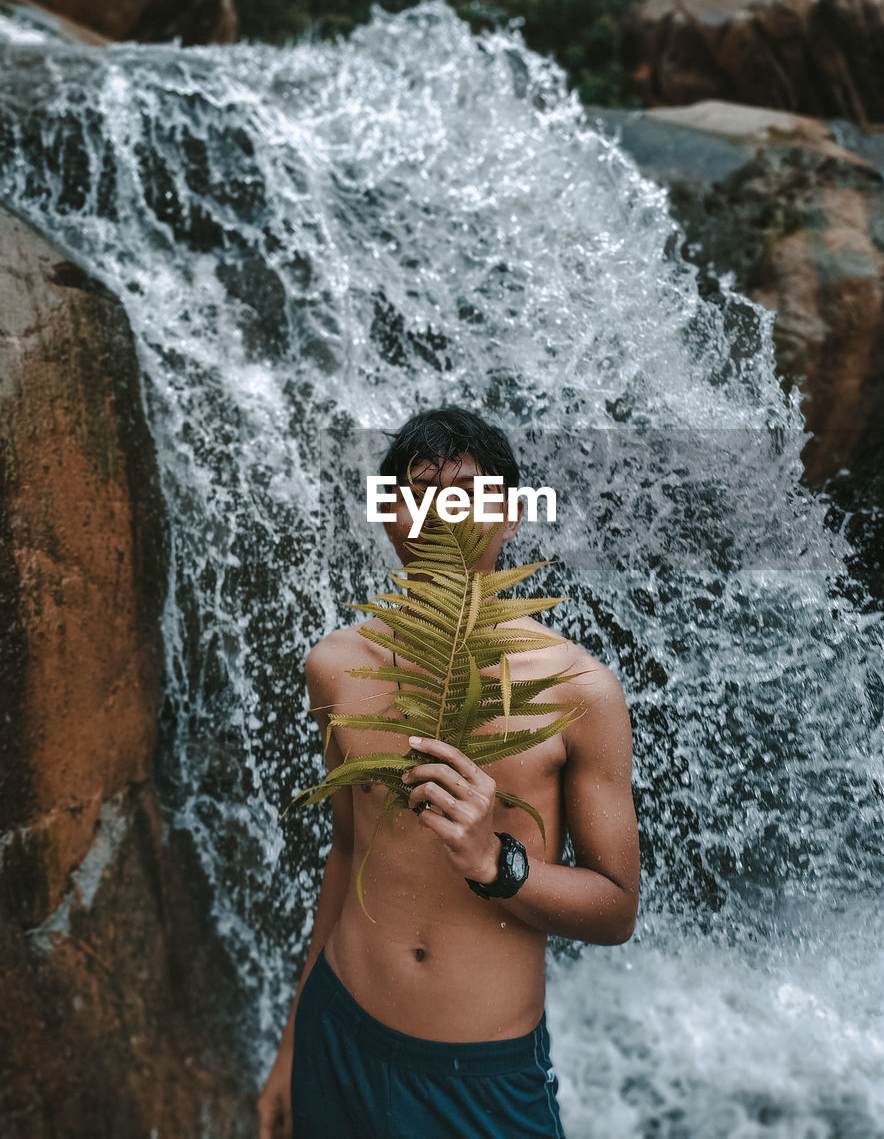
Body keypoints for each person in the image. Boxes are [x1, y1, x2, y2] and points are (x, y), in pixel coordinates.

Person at [257, 407, 640, 1139]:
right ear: (388, 516)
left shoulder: (579, 691)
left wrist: (498, 863)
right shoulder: (334, 667)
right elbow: (346, 852)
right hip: (338, 1034)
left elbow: (617, 909)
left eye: (468, 491)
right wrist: (293, 1043)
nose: (444, 513)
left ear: (513, 516)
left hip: (479, 1075)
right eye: (418, 491)